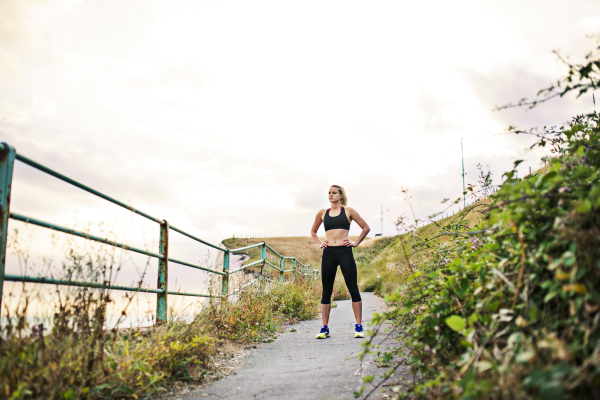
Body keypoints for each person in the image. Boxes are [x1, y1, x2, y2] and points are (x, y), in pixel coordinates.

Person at [310, 185, 370, 339]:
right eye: (329, 193)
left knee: (353, 288)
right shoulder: (323, 213)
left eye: (334, 193)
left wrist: (355, 243)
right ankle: (324, 328)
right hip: (329, 253)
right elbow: (313, 231)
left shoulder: (348, 211)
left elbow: (365, 228)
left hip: (345, 252)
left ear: (341, 195)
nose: (331, 195)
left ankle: (358, 326)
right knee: (326, 291)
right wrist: (319, 243)